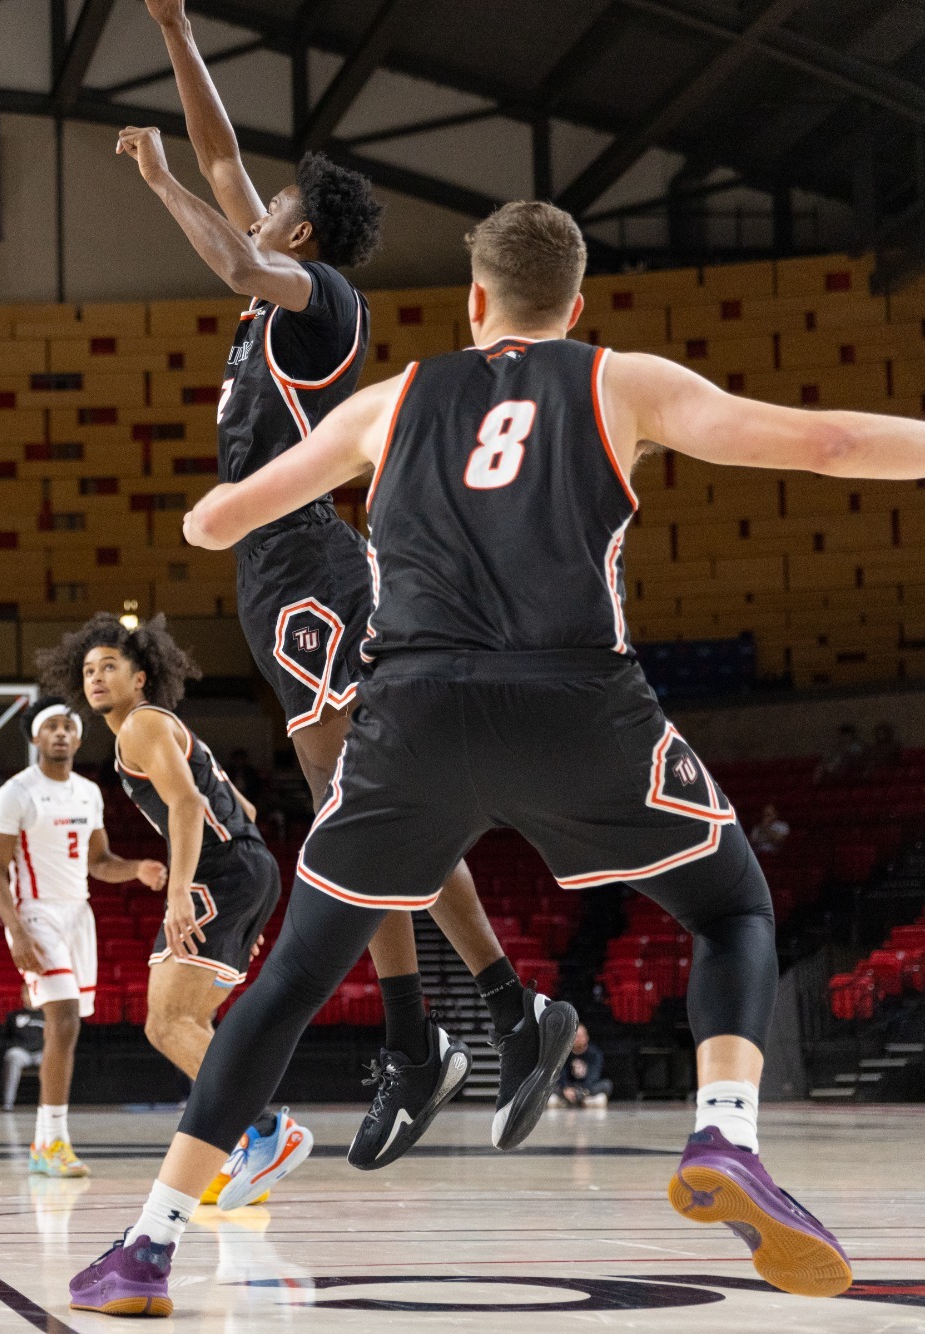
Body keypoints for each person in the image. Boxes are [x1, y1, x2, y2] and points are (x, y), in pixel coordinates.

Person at [71, 198, 897, 1315]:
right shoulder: (619, 380)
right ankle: (725, 1135)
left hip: (410, 720)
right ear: (575, 302)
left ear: (472, 299)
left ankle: (146, 1245)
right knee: (731, 909)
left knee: (283, 988)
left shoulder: (390, 400)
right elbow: (826, 442)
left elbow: (210, 526)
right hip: (577, 705)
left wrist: (244, 490)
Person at [123, 0, 567, 1178]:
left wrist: (159, 186)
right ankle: (447, 1032)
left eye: (271, 207)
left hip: (312, 566)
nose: (247, 200)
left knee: (366, 809)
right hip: (272, 577)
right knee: (354, 818)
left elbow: (221, 227)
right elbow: (224, 158)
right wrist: (172, 29)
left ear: (301, 227)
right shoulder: (275, 286)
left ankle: (471, 1021)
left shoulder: (320, 305)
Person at [38, 614, 310, 1211]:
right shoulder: (160, 730)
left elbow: (188, 805)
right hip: (244, 869)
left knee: (166, 1024)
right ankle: (238, 1145)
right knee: (191, 1023)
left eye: (110, 666)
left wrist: (181, 890)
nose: (96, 677)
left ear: (141, 677)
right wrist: (246, 907)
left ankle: (263, 1132)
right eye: (87, 670)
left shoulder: (139, 726)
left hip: (218, 873)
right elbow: (241, 806)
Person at [0, 703, 165, 1178]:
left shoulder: (88, 793)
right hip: (34, 914)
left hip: (78, 916)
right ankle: (53, 1141)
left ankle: (46, 1144)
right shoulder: (15, 792)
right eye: (51, 727)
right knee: (63, 1019)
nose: (60, 734)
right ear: (36, 737)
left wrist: (135, 870)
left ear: (78, 739)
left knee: (68, 1024)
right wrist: (17, 930)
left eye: (68, 727)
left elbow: (99, 862)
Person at [552, 1023, 612, 1109]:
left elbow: (594, 1075)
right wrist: (565, 1089)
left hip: (587, 1088)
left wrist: (583, 1091)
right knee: (549, 1086)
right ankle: (574, 1100)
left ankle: (582, 1100)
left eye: (579, 1036)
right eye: (574, 1036)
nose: (576, 1039)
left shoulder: (594, 1053)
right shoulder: (564, 1053)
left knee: (607, 1084)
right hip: (569, 1087)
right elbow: (561, 1074)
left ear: (586, 1038)